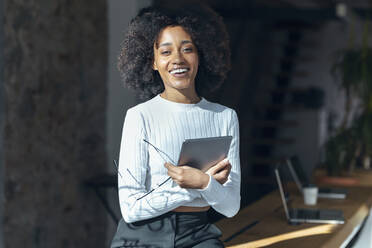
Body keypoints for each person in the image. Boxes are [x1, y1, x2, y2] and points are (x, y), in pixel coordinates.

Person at [111, 3, 241, 248]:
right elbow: (130, 208)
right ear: (152, 62)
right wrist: (196, 186)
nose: (178, 59)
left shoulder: (225, 117)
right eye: (166, 51)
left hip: (198, 235)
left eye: (188, 49)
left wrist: (203, 182)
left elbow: (231, 206)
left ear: (201, 54)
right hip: (142, 236)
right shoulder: (140, 116)